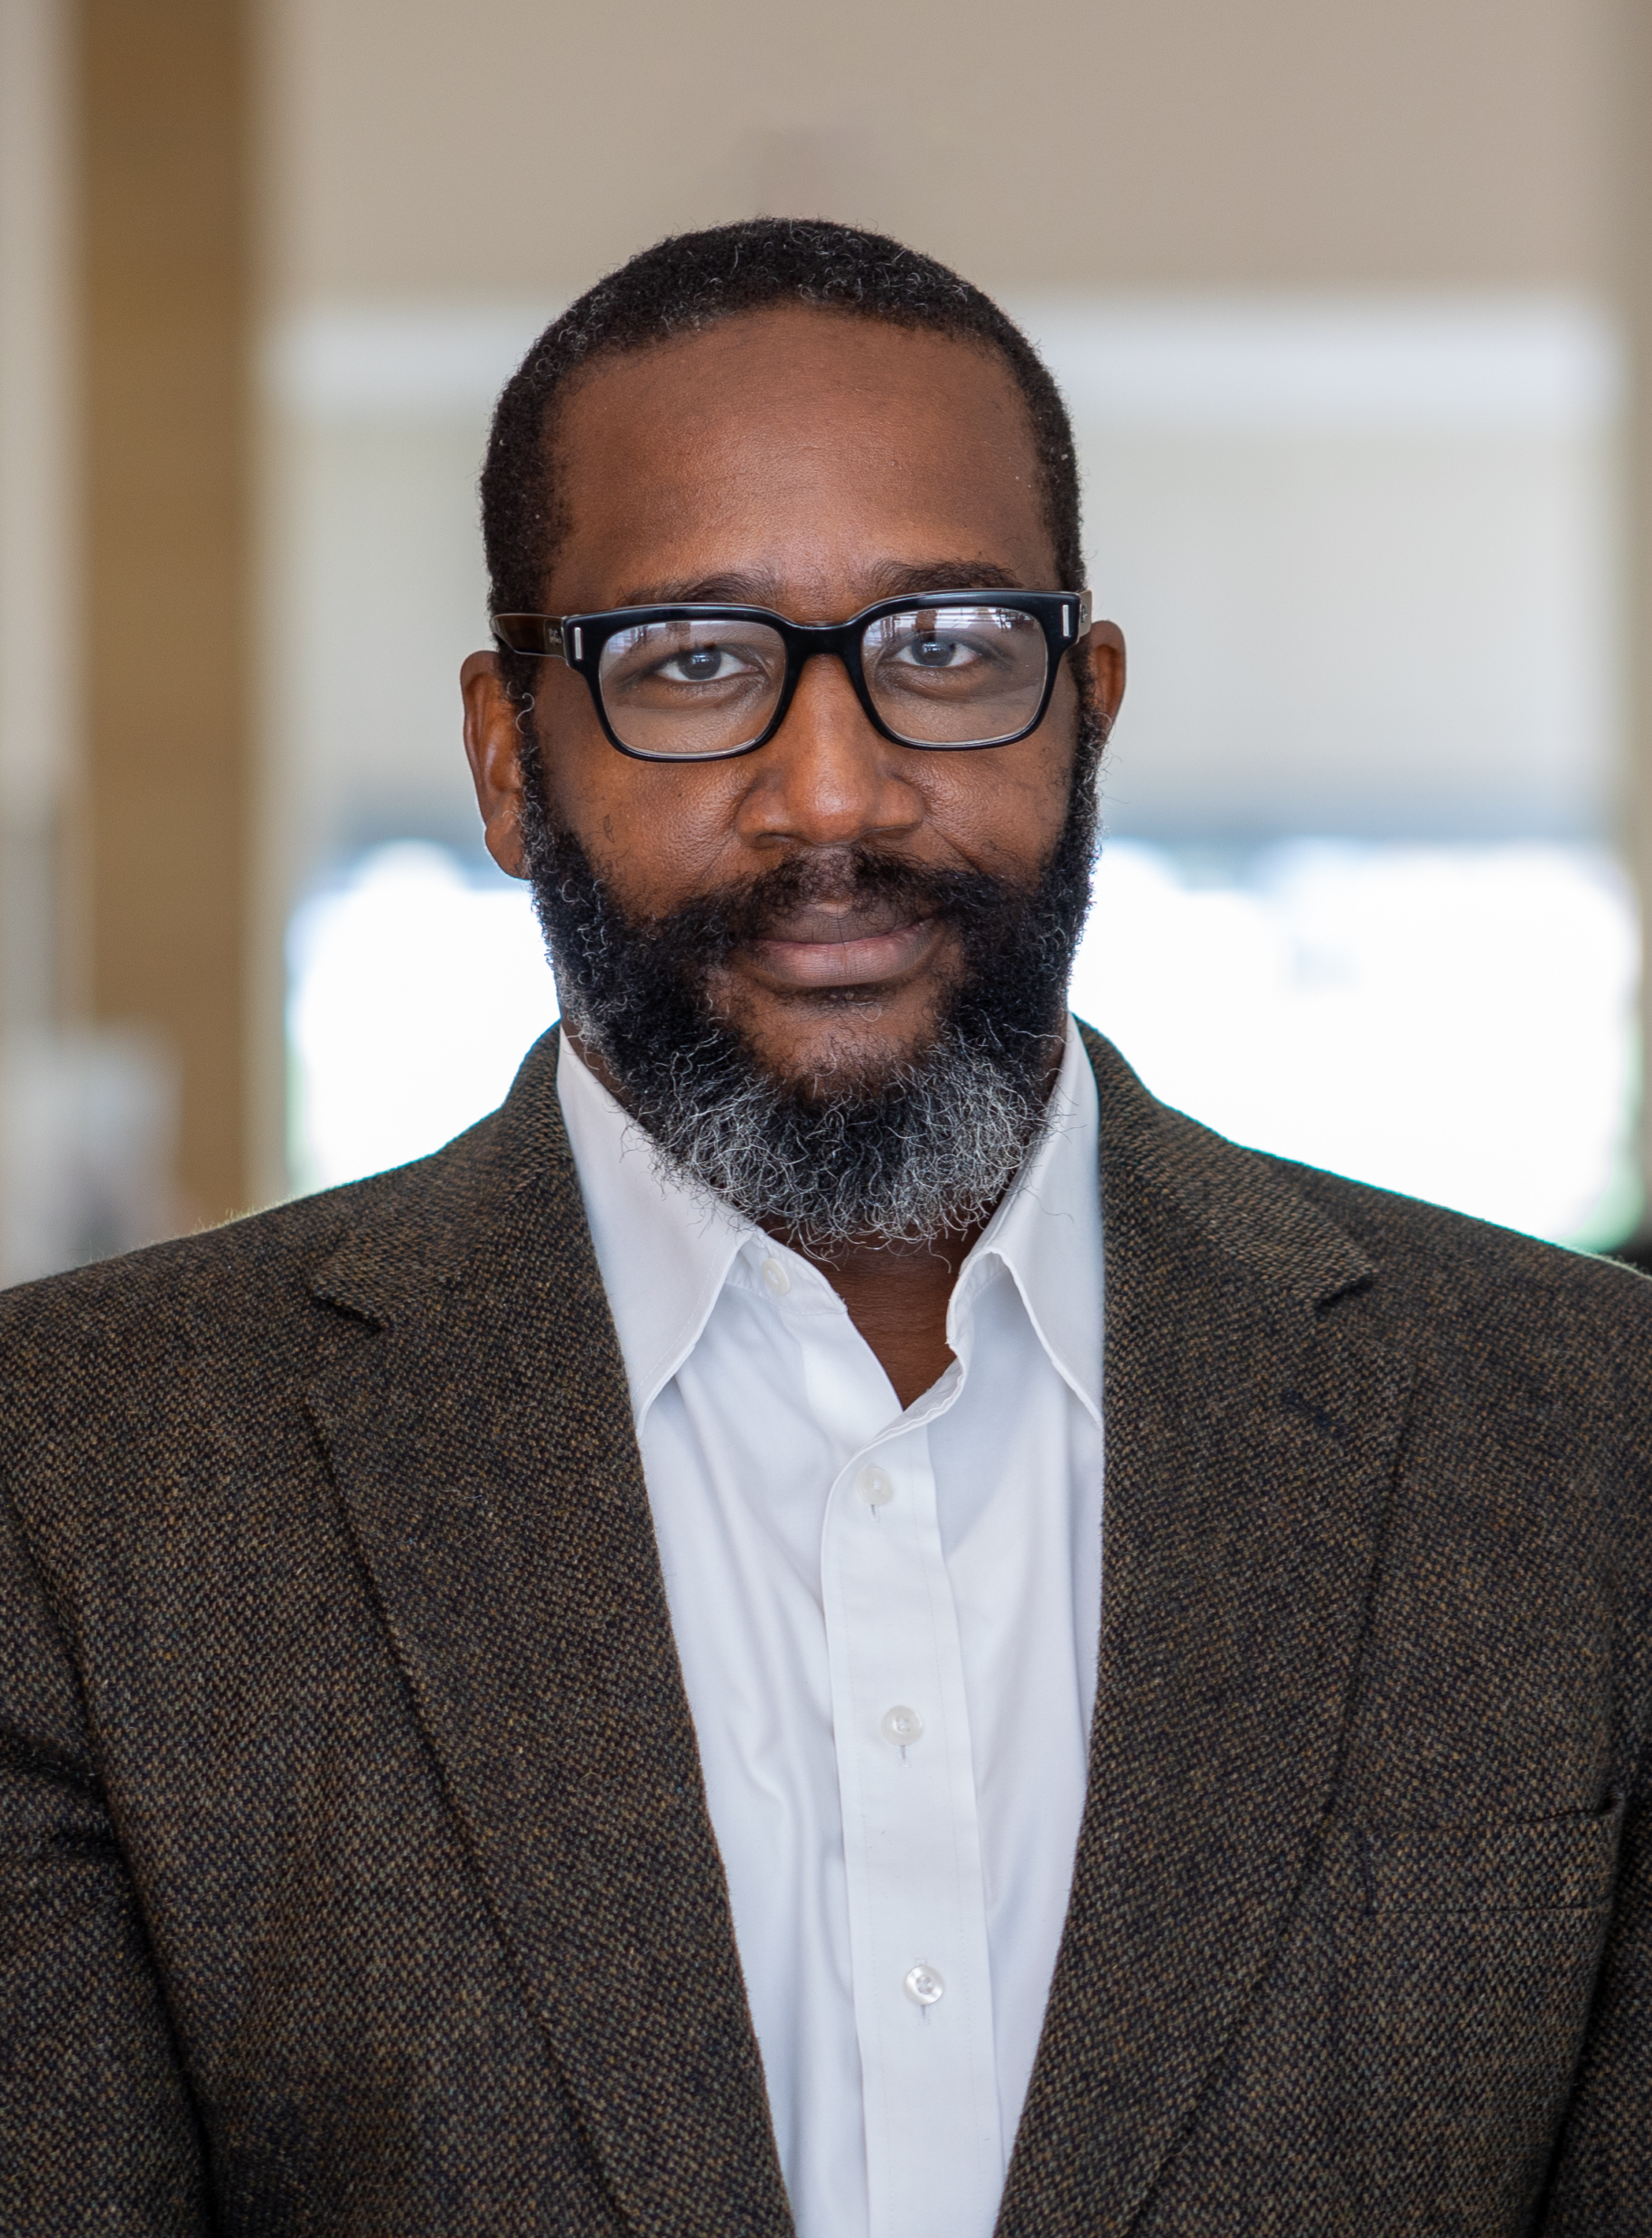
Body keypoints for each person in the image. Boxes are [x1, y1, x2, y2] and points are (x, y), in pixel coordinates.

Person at [1, 218, 1647, 2238]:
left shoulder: (1583, 1436)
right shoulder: (86, 1479)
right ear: (510, 756)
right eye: (691, 661)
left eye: (943, 644)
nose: (833, 796)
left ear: (1086, 704)